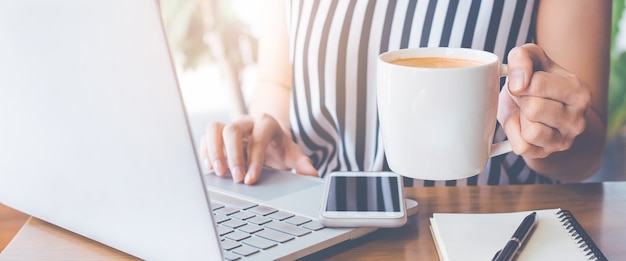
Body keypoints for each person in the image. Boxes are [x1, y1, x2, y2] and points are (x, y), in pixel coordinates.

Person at [200, 0, 611, 186]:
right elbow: (279, 82)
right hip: (320, 218)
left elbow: (586, 150)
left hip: (482, 227)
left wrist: (548, 127)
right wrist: (268, 137)